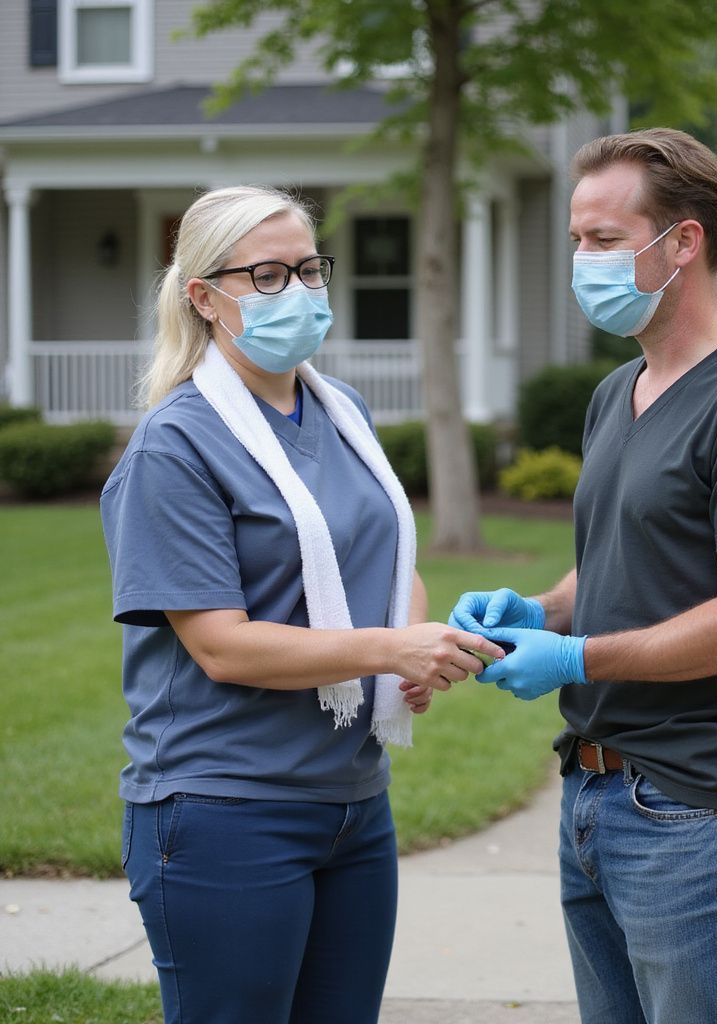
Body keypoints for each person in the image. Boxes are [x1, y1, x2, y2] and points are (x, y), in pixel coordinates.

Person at [450, 128, 717, 1023]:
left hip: (698, 814)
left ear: (684, 243)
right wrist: (537, 608)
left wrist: (576, 660)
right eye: (576, 239)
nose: (581, 260)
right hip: (593, 797)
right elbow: (619, 562)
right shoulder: (618, 390)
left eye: (604, 240)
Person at [101, 184, 504, 1024]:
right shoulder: (174, 446)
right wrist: (389, 653)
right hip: (224, 811)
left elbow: (391, 562)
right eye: (269, 275)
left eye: (310, 269)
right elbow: (222, 647)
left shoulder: (339, 408)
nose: (302, 291)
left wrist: (416, 652)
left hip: (354, 807)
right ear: (205, 298)